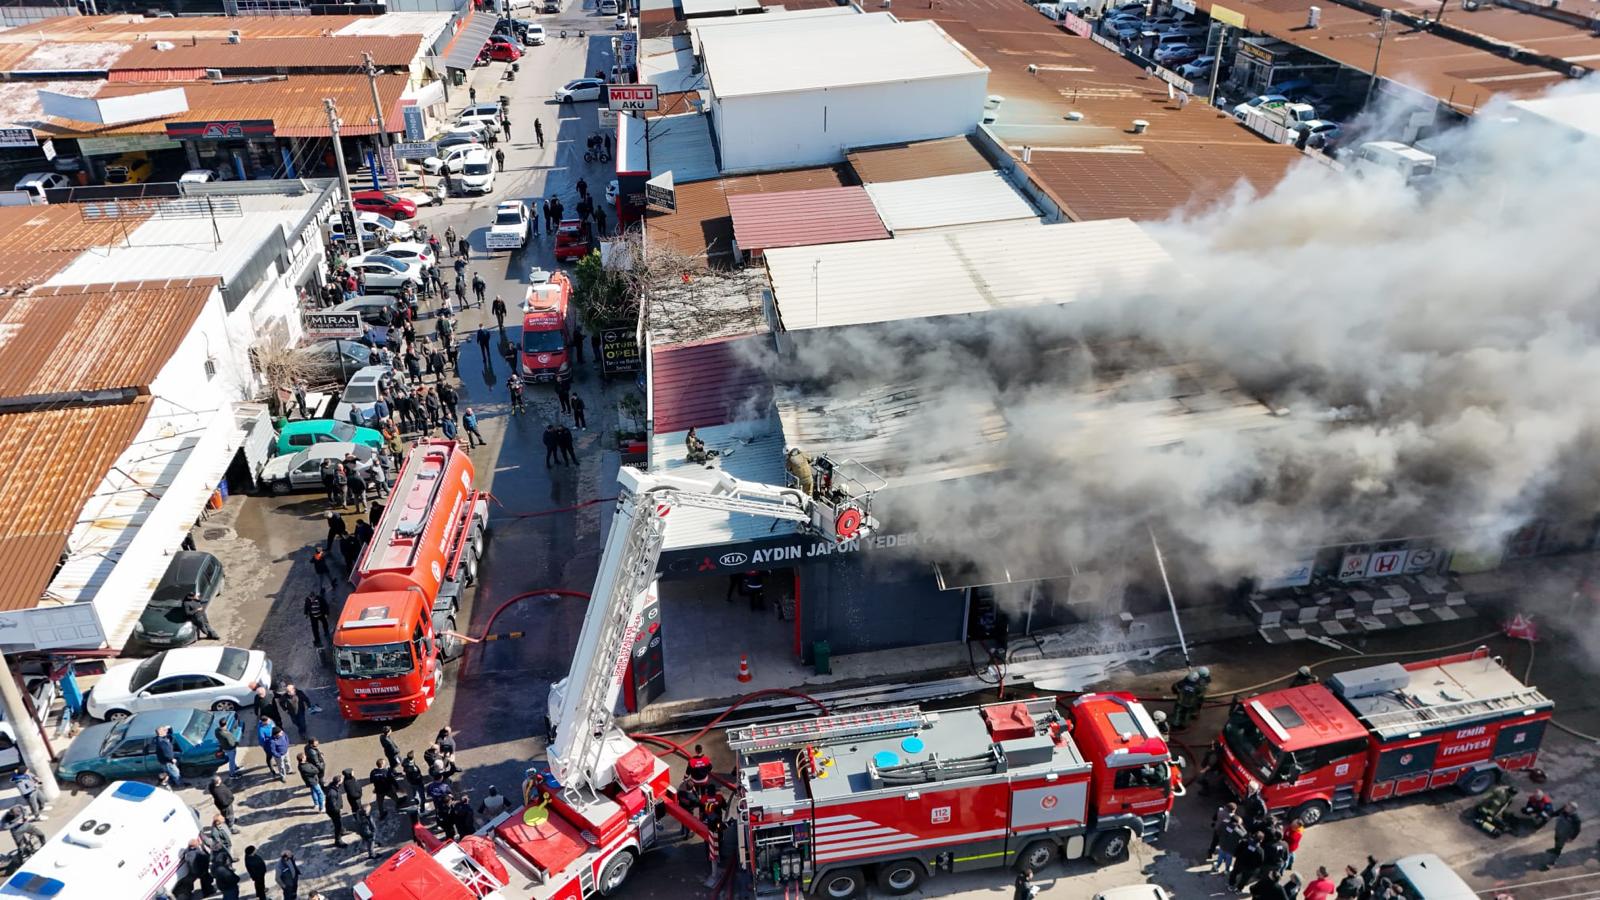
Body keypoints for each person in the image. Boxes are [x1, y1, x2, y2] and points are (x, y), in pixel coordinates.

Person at [1543, 802, 1581, 870]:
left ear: (1573, 809)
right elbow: (1557, 812)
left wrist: (1571, 838)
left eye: (1568, 807)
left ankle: (1552, 862)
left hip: (1565, 835)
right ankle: (1555, 849)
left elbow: (1577, 830)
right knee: (1556, 840)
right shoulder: (1564, 810)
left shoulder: (1576, 819)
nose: (1565, 807)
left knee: (1559, 846)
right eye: (1567, 806)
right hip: (1558, 830)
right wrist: (1551, 816)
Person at [325, 771, 348, 846]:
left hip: (335, 809)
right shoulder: (332, 793)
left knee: (339, 822)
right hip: (333, 811)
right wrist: (338, 810)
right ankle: (338, 841)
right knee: (337, 825)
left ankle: (342, 830)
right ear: (338, 782)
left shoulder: (334, 787)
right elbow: (333, 805)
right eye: (341, 780)